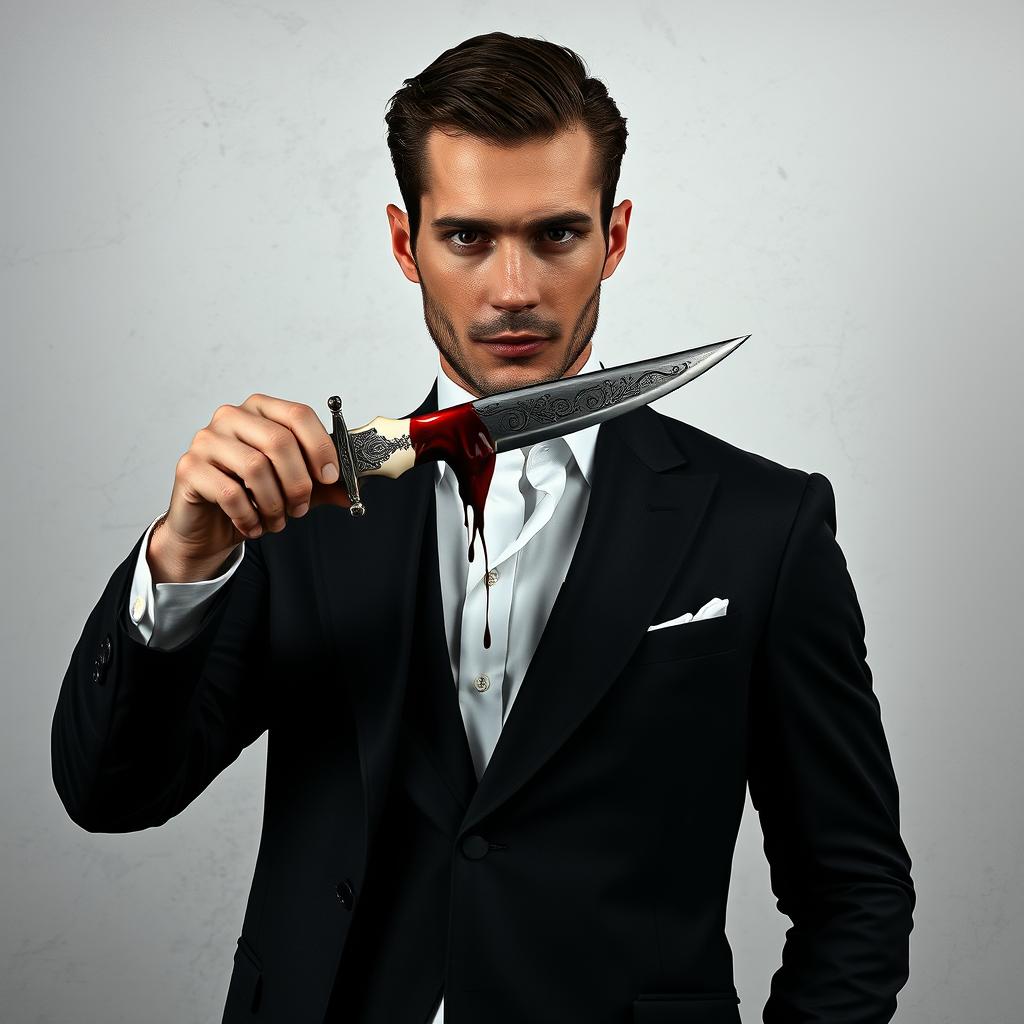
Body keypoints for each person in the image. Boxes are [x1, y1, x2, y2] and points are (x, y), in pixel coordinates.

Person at [51, 31, 915, 1024]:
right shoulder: (292, 507)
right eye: (467, 236)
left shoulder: (763, 524)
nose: (513, 290)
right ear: (402, 240)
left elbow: (854, 893)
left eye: (555, 233)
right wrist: (182, 558)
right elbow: (109, 793)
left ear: (614, 235)